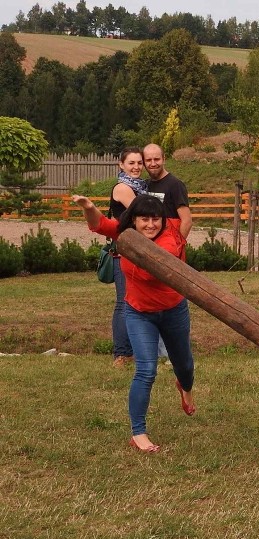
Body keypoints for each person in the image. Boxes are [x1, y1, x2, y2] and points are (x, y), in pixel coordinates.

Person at [73, 193, 197, 453]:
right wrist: (90, 207)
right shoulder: (126, 233)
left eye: (155, 219)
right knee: (146, 370)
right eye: (144, 219)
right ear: (134, 220)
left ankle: (184, 388)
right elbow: (100, 225)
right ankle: (138, 433)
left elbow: (161, 259)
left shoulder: (169, 238)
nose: (150, 224)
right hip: (139, 312)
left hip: (173, 310)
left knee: (184, 366)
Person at [143, 143, 192, 360]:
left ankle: (173, 353)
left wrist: (176, 249)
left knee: (172, 300)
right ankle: (155, 351)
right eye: (149, 160)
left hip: (170, 251)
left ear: (164, 159)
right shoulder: (145, 185)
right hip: (150, 251)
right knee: (151, 299)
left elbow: (187, 220)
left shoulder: (175, 185)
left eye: (157, 159)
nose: (153, 164)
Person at [108, 147, 147, 368]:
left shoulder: (140, 187)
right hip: (124, 249)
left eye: (139, 163)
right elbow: (142, 210)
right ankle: (121, 354)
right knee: (124, 302)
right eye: (131, 163)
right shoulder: (123, 188)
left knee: (135, 300)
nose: (136, 167)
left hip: (137, 249)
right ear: (121, 165)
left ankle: (133, 350)